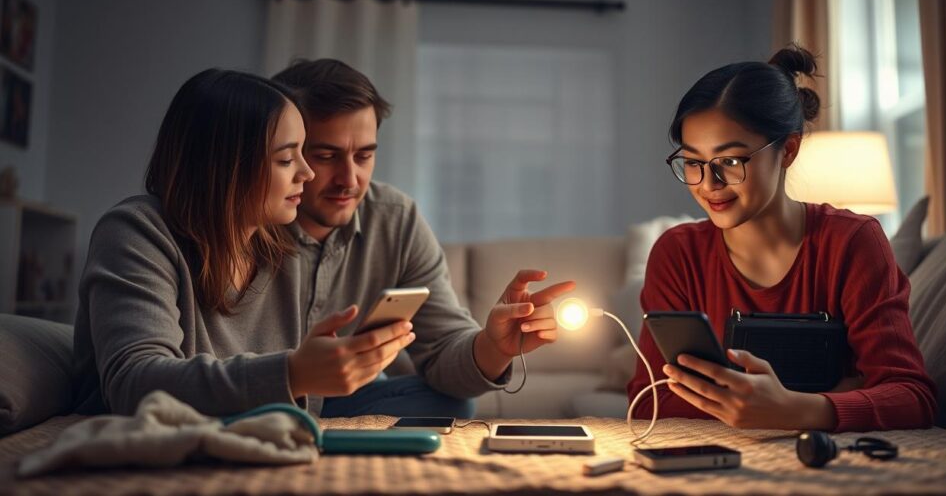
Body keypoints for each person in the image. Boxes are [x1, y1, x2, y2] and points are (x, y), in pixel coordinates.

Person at [626, 46, 937, 432]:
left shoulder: (853, 241)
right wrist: (834, 392)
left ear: (788, 150)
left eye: (731, 161)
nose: (709, 185)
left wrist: (792, 409)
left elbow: (911, 398)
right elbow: (649, 400)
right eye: (693, 163)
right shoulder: (677, 253)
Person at [272, 59, 575, 418]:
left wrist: (495, 347)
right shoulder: (245, 221)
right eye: (325, 156)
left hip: (347, 400)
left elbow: (444, 346)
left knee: (453, 404)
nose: (349, 180)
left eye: (365, 156)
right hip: (260, 398)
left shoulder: (394, 218)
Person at [74, 68, 365, 415]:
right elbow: (135, 385)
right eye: (286, 159)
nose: (308, 172)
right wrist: (292, 372)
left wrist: (311, 374)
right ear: (225, 166)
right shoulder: (135, 232)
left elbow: (298, 412)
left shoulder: (283, 256)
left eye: (303, 153)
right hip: (138, 454)